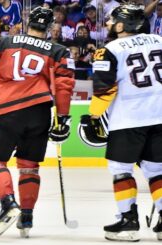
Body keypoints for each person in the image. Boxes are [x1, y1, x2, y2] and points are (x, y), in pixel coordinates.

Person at [0, 6, 75, 237]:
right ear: (51, 26)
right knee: (29, 166)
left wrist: (4, 90)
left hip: (6, 109)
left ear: (27, 21)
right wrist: (62, 118)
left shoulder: (4, 42)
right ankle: (27, 217)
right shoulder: (59, 50)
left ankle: (8, 203)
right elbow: (64, 88)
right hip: (40, 111)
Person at [80, 4, 162, 241]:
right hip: (159, 116)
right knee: (157, 170)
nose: (107, 24)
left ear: (120, 25)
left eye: (110, 20)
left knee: (120, 170)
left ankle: (127, 222)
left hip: (129, 118)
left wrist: (94, 115)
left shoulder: (110, 49)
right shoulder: (159, 40)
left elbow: (104, 89)